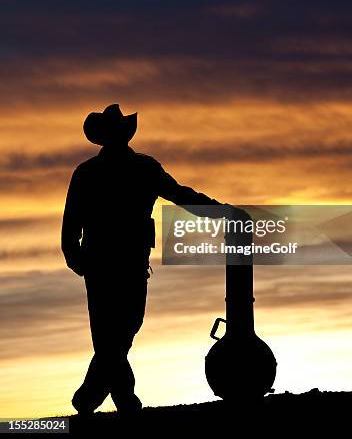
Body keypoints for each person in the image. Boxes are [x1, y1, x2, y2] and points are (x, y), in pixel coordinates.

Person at [61, 103, 245, 416]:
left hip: (116, 263)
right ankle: (115, 402)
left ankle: (93, 398)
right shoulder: (104, 171)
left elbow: (180, 195)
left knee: (117, 334)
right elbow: (72, 224)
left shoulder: (109, 171)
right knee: (115, 335)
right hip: (112, 263)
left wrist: (222, 212)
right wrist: (76, 258)